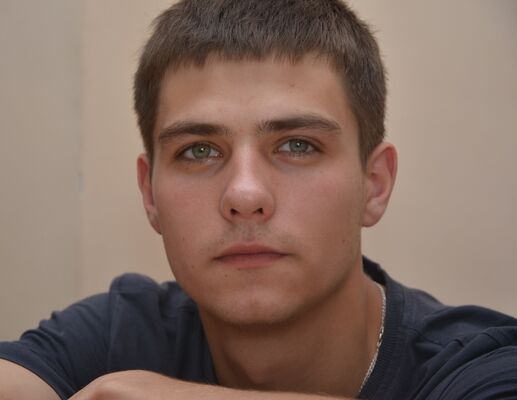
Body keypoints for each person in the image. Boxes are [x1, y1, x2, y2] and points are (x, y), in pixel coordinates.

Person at [0, 0, 516, 399]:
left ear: (374, 184)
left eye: (298, 145)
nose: (245, 194)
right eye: (199, 150)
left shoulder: (482, 364)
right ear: (149, 194)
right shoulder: (120, 334)